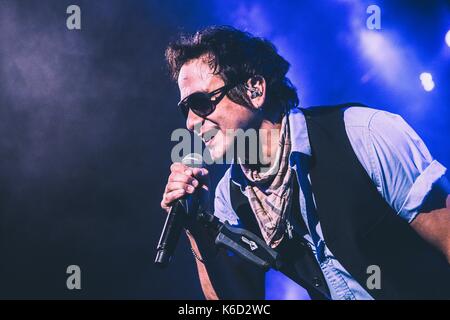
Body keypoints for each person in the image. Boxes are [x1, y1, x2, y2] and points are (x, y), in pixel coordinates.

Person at [160, 26, 450, 300]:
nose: (190, 122)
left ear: (255, 89)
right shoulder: (230, 197)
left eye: (200, 102)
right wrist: (194, 226)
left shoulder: (363, 133)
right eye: (186, 109)